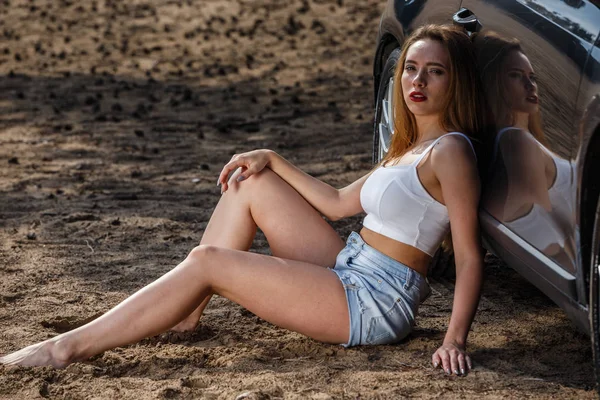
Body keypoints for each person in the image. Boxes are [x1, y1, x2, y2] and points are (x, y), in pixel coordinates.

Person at [0, 24, 487, 377]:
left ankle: (66, 349)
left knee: (208, 261)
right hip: (352, 263)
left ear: (454, 82)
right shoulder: (407, 147)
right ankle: (187, 311)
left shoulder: (450, 153)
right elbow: (339, 204)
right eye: (411, 69)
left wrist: (453, 340)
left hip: (375, 301)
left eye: (434, 73)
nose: (417, 82)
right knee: (248, 182)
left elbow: (468, 256)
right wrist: (272, 159)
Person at [473, 31, 576, 269]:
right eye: (516, 76)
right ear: (493, 84)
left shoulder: (511, 139)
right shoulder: (518, 143)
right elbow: (557, 226)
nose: (530, 86)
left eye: (532, 77)